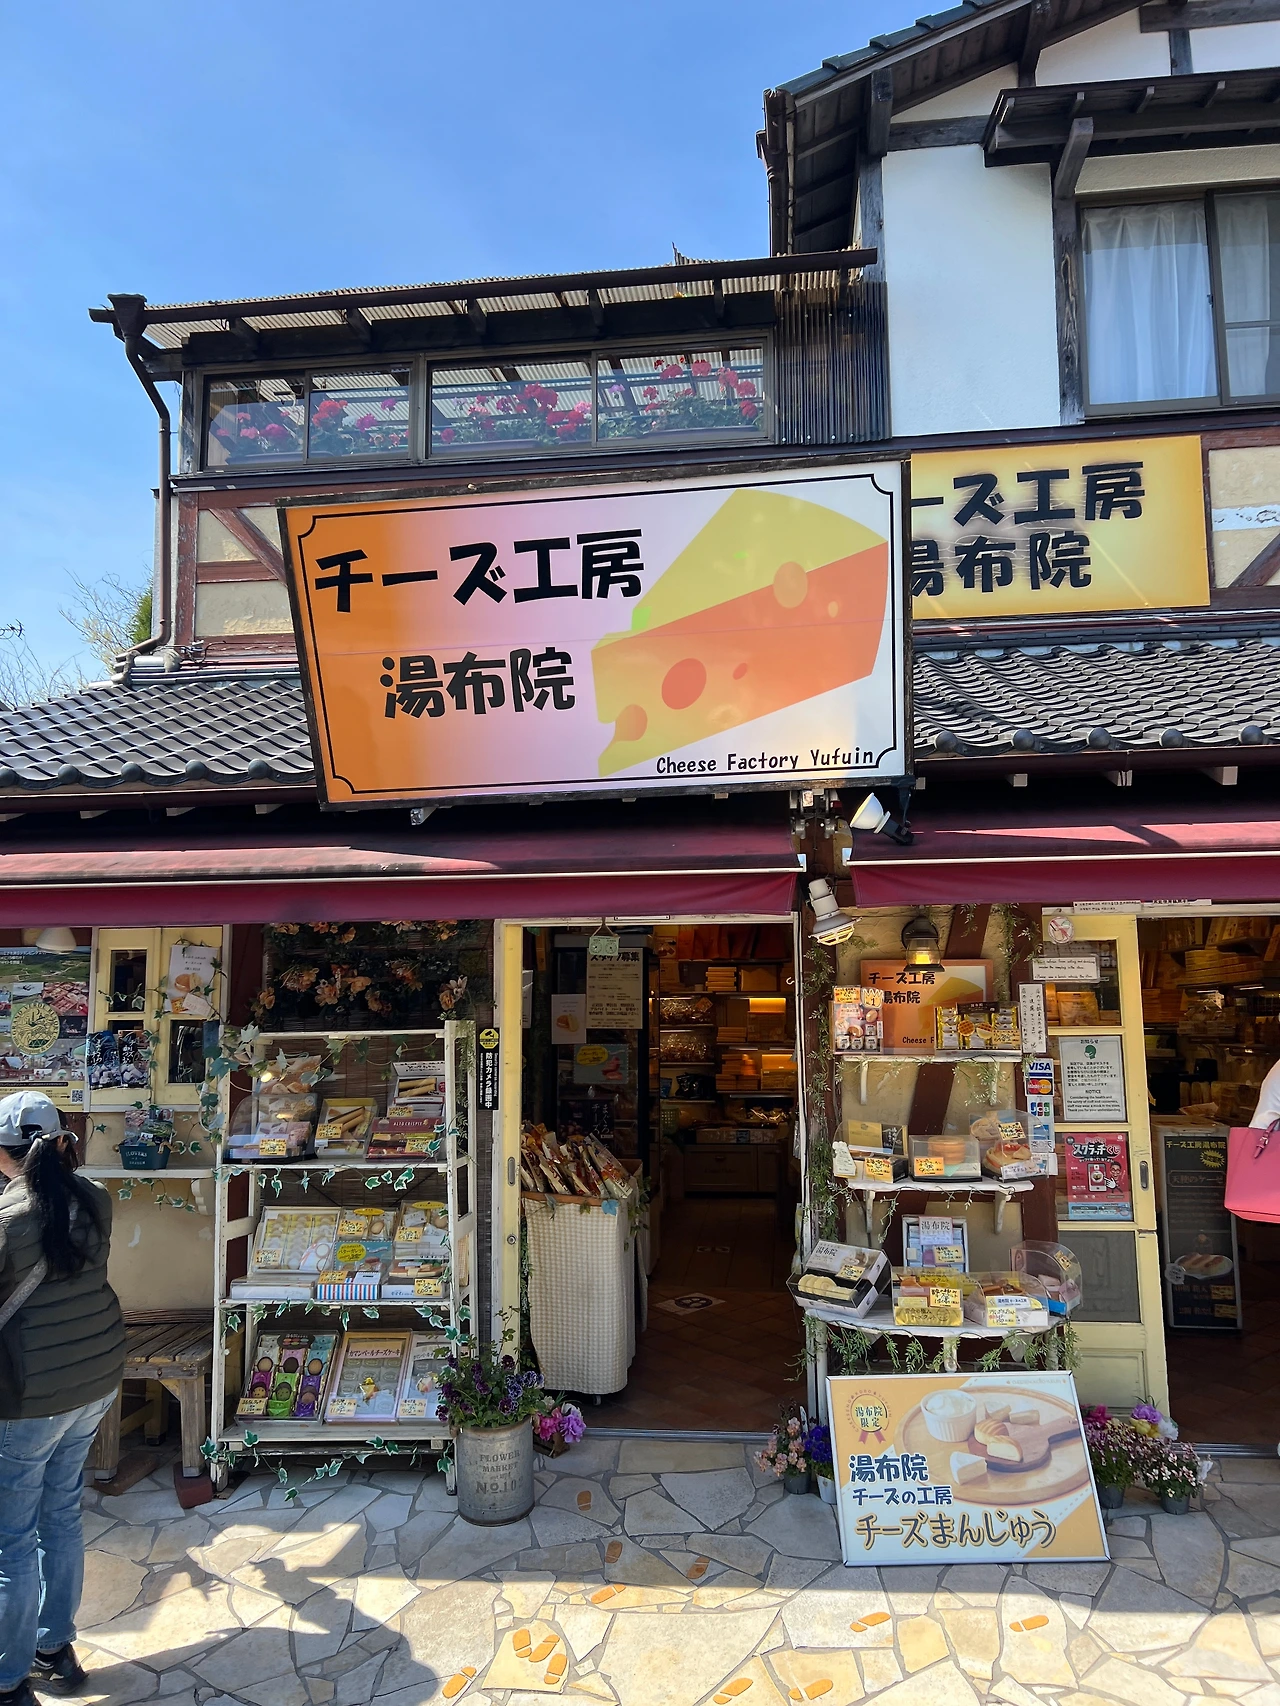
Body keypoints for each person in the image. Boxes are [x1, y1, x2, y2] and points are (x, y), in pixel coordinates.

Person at [0, 1092, 125, 1706]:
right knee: (61, 1515)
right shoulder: (95, 1199)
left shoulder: (8, 1219)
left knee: (12, 1540)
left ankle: (7, 1677)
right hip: (94, 1377)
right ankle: (55, 1647)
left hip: (28, 1393)